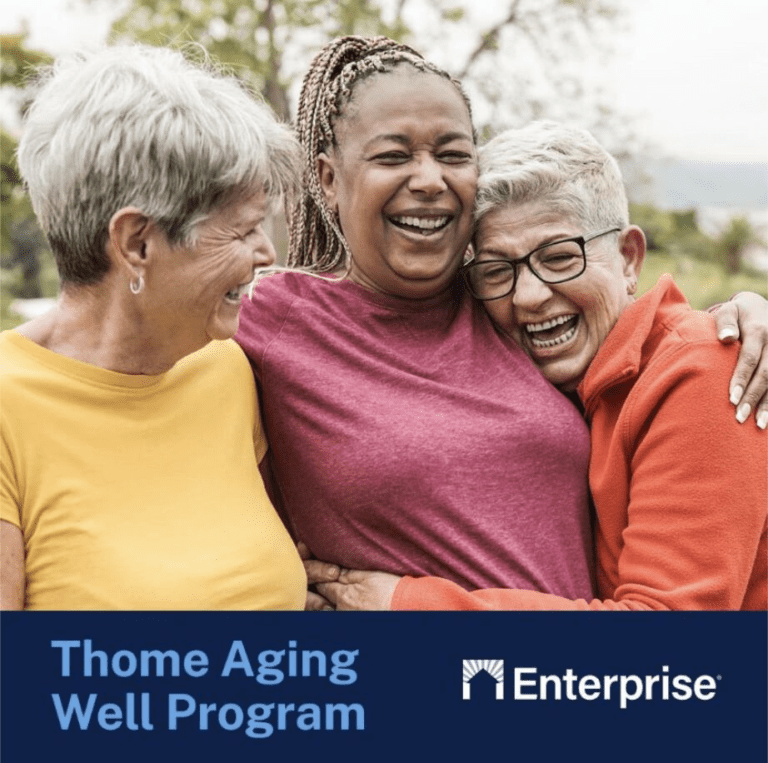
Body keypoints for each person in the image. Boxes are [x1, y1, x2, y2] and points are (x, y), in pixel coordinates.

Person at [234, 36, 768, 605]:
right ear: (328, 178)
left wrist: (732, 323)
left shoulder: (505, 306)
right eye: (392, 156)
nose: (532, 295)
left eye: (454, 154)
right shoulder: (276, 323)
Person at [0, 45, 306, 610]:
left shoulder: (225, 365)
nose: (266, 252)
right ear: (137, 242)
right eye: (241, 231)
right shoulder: (9, 409)